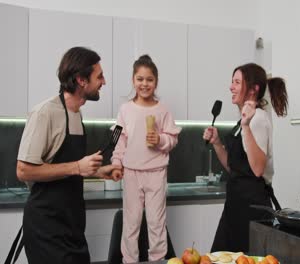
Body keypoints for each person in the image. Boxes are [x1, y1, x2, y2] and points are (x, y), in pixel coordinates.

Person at [14, 47, 121, 264]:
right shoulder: (45, 113)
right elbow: (23, 170)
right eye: (99, 76)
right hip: (46, 227)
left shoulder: (76, 113)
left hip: (72, 226)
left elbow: (67, 166)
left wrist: (98, 171)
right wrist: (77, 167)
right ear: (81, 80)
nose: (104, 81)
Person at [203, 63, 288, 253]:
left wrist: (247, 126)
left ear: (252, 89)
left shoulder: (257, 119)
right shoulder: (243, 121)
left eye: (236, 82)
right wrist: (217, 143)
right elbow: (235, 169)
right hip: (235, 204)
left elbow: (257, 169)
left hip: (252, 208)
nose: (231, 87)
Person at [110, 55, 181, 263]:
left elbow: (173, 139)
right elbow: (118, 140)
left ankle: (157, 260)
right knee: (131, 222)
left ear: (156, 82)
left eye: (149, 79)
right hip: (131, 173)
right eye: (140, 79)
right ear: (133, 80)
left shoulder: (163, 109)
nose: (144, 84)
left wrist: (160, 139)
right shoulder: (125, 110)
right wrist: (116, 164)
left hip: (156, 173)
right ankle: (129, 260)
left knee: (156, 223)